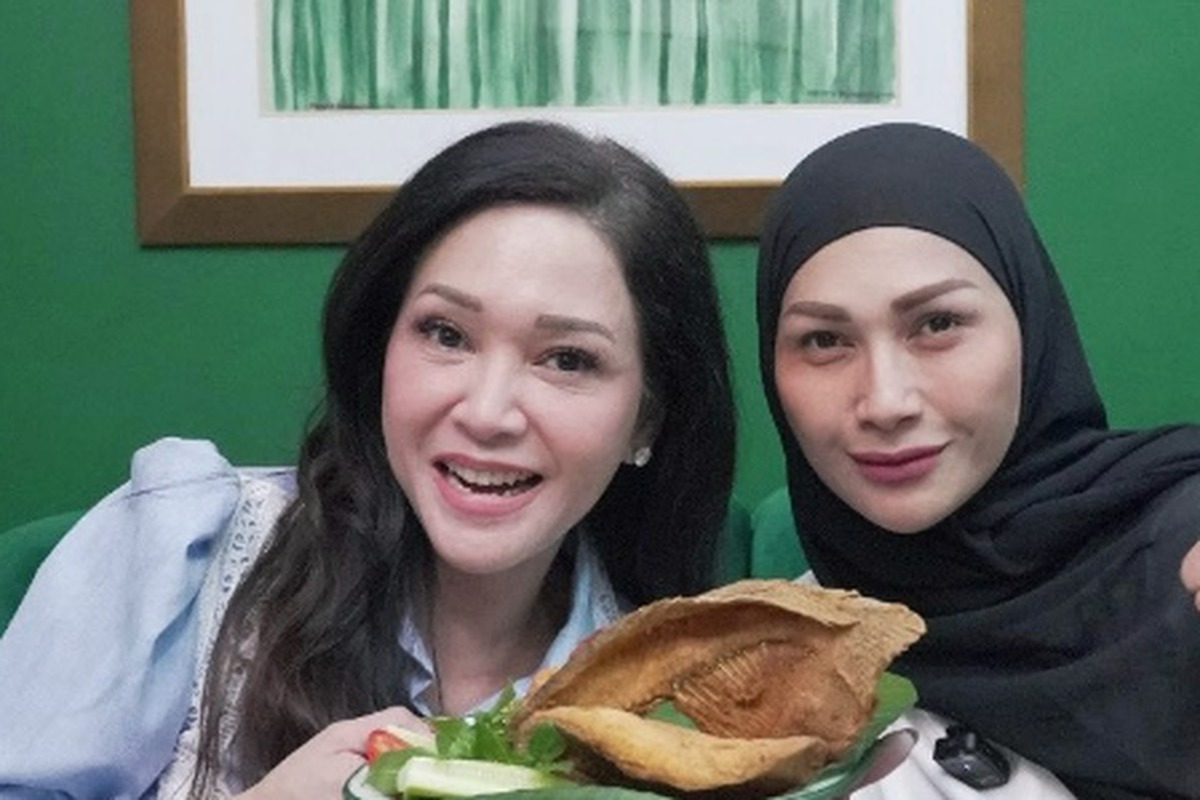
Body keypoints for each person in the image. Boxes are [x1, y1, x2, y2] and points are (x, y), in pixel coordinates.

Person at [0, 120, 737, 798]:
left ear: (647, 417)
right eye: (446, 334)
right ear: (378, 347)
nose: (486, 412)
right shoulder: (183, 553)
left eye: (567, 359)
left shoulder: (679, 711)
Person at [756, 122, 1200, 799]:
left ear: (1029, 324)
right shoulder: (776, 664)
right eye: (823, 340)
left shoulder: (1180, 550)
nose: (885, 401)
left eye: (937, 324)